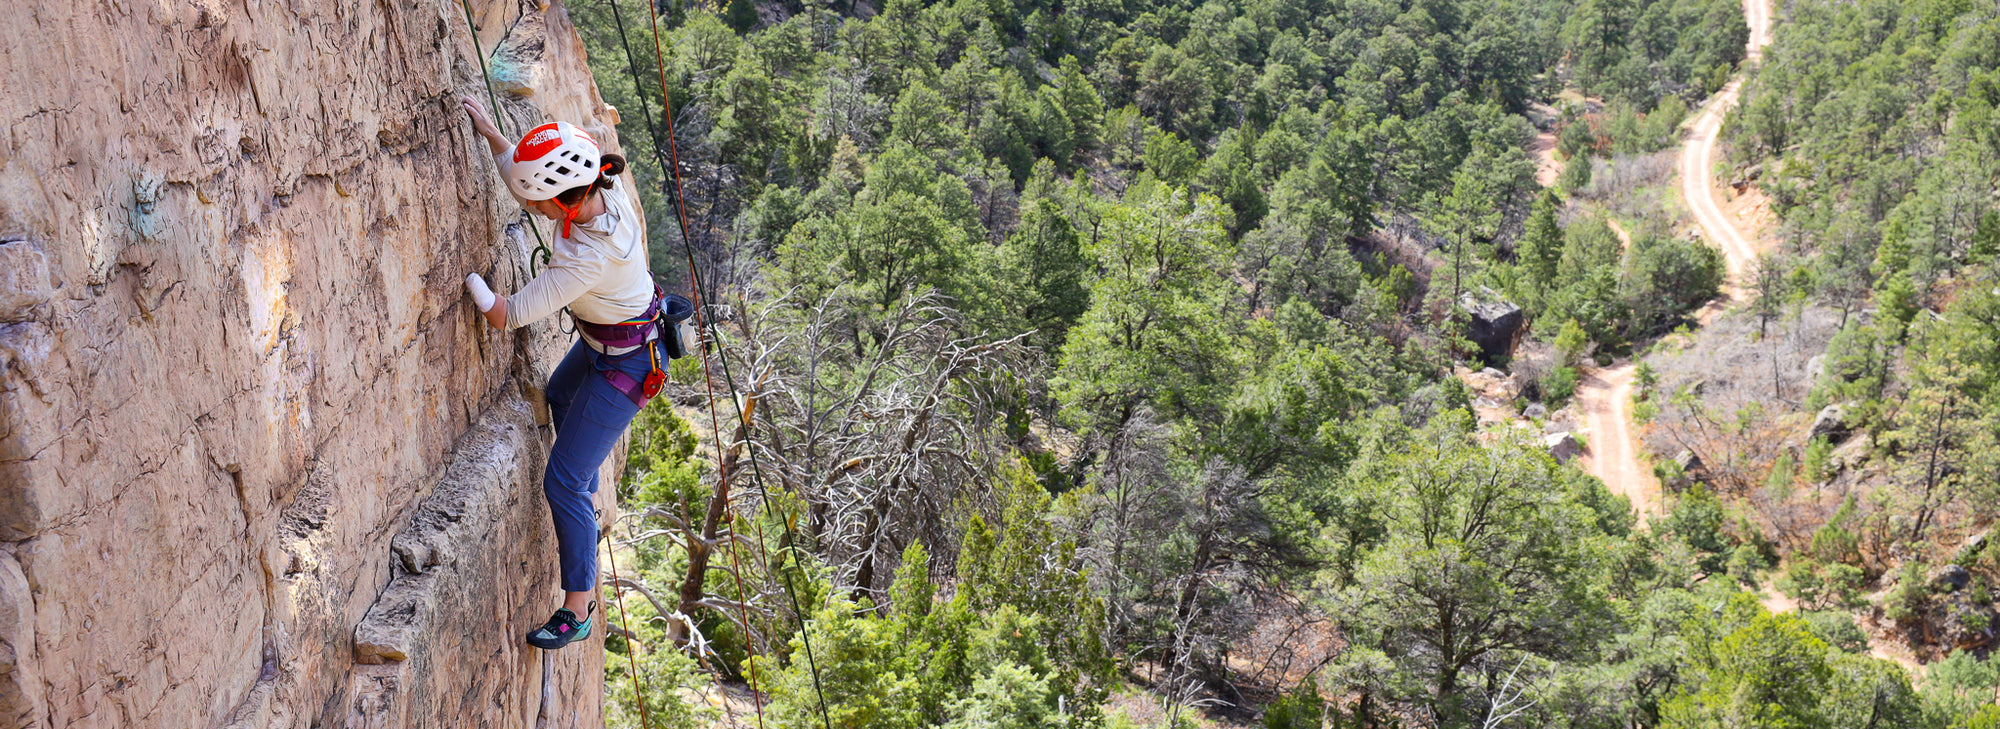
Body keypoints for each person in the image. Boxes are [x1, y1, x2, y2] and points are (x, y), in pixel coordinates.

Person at [459, 96, 665, 650]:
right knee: (556, 394)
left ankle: (578, 609)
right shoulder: (604, 189)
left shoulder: (586, 259)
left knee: (562, 480)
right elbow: (541, 183)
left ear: (564, 203)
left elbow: (507, 314)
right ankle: (583, 495)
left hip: (626, 368)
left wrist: (470, 282)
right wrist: (495, 137)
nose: (533, 205)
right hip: (613, 344)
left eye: (540, 200)